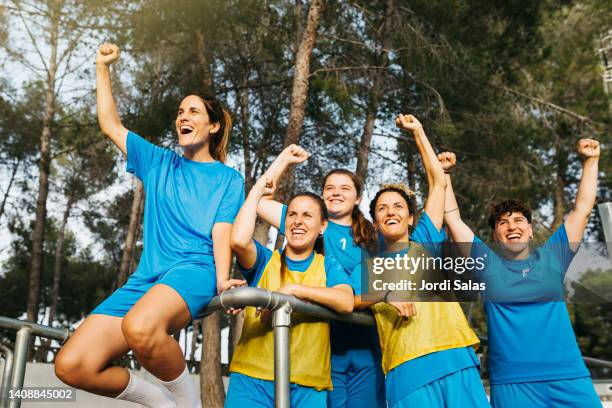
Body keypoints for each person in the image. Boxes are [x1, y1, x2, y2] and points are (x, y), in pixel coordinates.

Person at [54, 43, 245, 408]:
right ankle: (159, 401)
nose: (182, 117)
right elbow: (110, 125)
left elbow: (222, 230)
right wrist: (102, 67)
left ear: (214, 125)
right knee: (71, 365)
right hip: (148, 277)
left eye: (193, 111)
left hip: (195, 270)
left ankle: (187, 403)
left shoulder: (228, 179)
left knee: (139, 327)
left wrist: (222, 279)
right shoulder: (158, 162)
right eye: (179, 112)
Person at [439, 138, 602, 408]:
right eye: (503, 223)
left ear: (530, 229)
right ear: (495, 235)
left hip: (568, 377)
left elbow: (581, 210)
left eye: (518, 221)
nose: (511, 226)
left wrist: (591, 161)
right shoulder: (487, 266)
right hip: (513, 383)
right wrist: (444, 175)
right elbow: (453, 220)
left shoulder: (552, 258)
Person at [354, 114, 489, 408]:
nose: (391, 212)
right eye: (382, 209)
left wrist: (418, 132)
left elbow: (438, 184)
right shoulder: (367, 267)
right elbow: (348, 300)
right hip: (406, 372)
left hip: (456, 359)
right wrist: (383, 294)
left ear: (411, 217)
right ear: (375, 222)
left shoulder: (426, 240)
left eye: (398, 206)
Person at [256, 150, 385, 407]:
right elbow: (260, 201)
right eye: (329, 188)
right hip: (323, 346)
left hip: (366, 347)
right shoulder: (307, 223)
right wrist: (284, 160)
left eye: (345, 188)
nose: (336, 193)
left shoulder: (374, 238)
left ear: (358, 197)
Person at [226, 169, 355, 407]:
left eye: (307, 215)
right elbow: (238, 241)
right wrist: (257, 192)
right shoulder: (266, 260)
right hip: (252, 377)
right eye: (292, 215)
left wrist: (294, 290)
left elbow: (346, 301)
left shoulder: (327, 265)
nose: (297, 221)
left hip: (308, 381)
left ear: (322, 226)